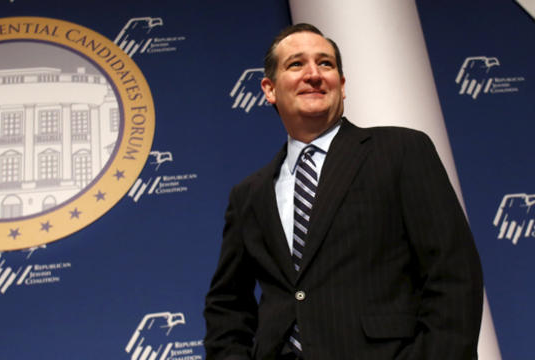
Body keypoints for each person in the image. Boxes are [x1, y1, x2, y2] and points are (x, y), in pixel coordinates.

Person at [203, 23, 483, 360]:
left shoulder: (401, 151)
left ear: (343, 84)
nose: (314, 74)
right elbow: (227, 306)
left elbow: (454, 276)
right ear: (269, 89)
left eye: (326, 64)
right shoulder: (249, 194)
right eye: (296, 64)